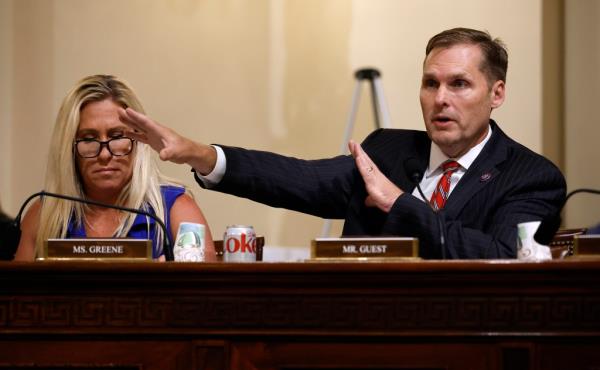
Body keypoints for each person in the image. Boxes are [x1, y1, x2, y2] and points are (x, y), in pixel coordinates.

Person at [118, 28, 566, 259]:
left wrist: (399, 204)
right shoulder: (389, 151)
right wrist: (200, 153)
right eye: (430, 83)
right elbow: (299, 179)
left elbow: (503, 257)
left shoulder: (531, 176)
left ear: (497, 93)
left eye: (460, 84)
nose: (441, 99)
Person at [15, 75, 216, 261]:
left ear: (140, 140)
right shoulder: (44, 214)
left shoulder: (175, 209)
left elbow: (205, 295)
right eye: (88, 138)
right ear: (69, 148)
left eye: (117, 136)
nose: (104, 154)